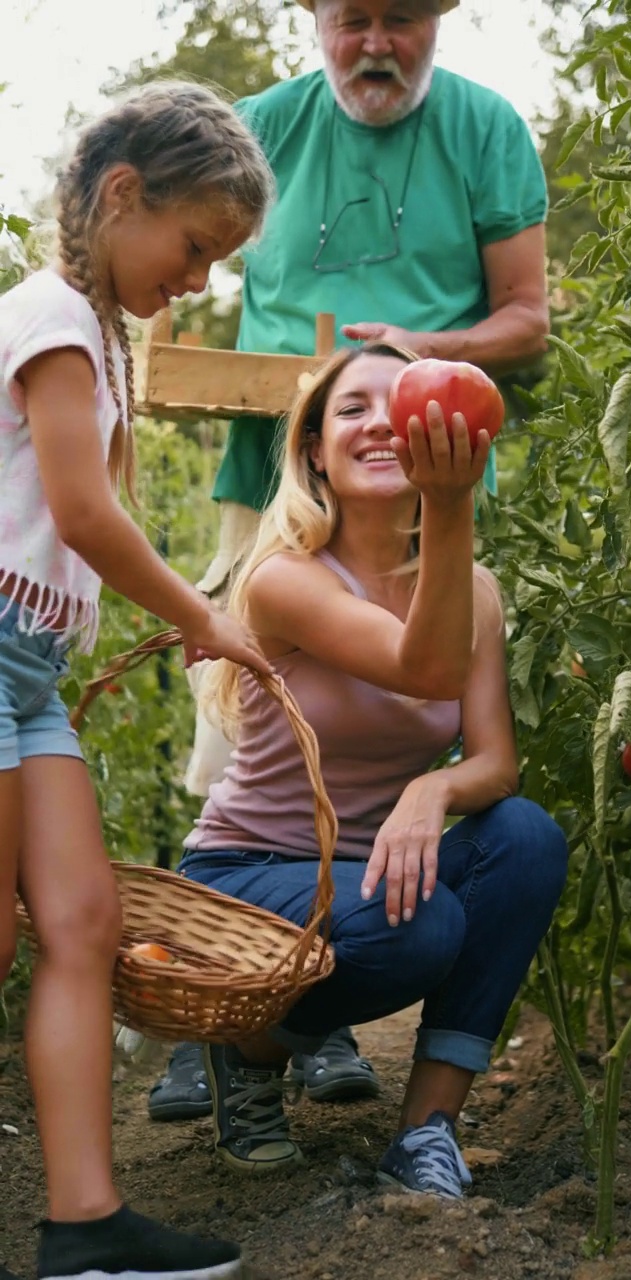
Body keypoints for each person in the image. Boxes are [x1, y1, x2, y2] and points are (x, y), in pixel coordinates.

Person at [160, 0, 550, 1116]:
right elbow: (185, 271)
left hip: (431, 479)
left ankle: (319, 1023)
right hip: (281, 470)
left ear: (441, 19)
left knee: (416, 733)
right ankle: (229, 1010)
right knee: (241, 725)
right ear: (315, 17)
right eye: (354, 17)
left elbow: (525, 318)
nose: (376, 42)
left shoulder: (483, 129)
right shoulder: (258, 131)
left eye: (401, 18)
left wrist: (407, 360)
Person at [170, 342, 568, 1191]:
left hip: (371, 874)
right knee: (420, 931)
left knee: (526, 839)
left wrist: (435, 787)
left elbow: (496, 762)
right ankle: (247, 1047)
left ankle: (426, 1134)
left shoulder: (476, 592)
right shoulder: (286, 579)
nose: (385, 423)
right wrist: (451, 505)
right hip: (248, 875)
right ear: (314, 449)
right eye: (353, 409)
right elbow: (425, 670)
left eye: (407, 404)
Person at [0, 82, 276, 1280]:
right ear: (124, 194)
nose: (200, 276)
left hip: (31, 669)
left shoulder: (102, 332)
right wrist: (205, 615)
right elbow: (82, 512)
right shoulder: (52, 311)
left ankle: (85, 1224)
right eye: (195, 244)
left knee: (84, 923)